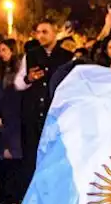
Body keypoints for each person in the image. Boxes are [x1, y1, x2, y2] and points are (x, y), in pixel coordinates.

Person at [14, 19, 73, 183]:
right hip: (33, 115)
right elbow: (18, 83)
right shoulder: (31, 55)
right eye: (38, 32)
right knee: (32, 157)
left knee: (54, 158)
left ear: (55, 33)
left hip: (55, 115)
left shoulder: (67, 57)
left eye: (45, 32)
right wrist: (29, 78)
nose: (40, 36)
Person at [0, 39, 25, 204]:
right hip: (5, 116)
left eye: (4, 50)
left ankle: (15, 197)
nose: (1, 54)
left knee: (14, 156)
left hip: (14, 117)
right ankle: (8, 197)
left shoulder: (17, 72)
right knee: (5, 157)